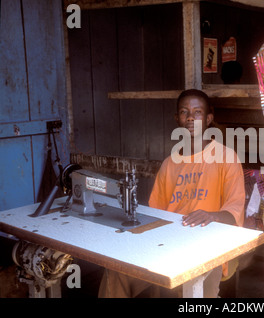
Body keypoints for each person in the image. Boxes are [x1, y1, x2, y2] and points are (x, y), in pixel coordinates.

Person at [98, 89, 245, 298]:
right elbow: (156, 215)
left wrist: (212, 215)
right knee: (116, 271)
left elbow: (233, 215)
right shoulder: (169, 164)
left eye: (197, 112)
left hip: (209, 247)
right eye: (184, 112)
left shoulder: (226, 158)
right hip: (169, 243)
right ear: (177, 119)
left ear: (209, 118)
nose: (191, 118)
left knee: (196, 291)